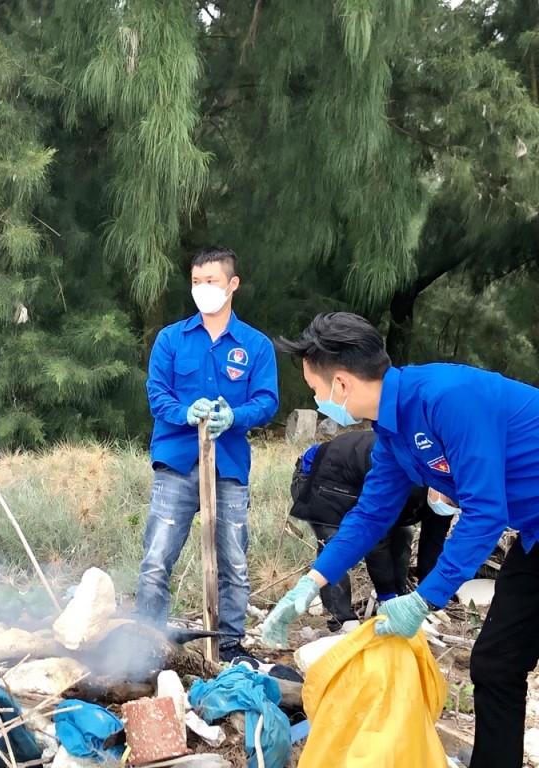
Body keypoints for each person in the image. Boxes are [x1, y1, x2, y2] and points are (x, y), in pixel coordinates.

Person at [261, 311, 539, 768]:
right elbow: (370, 515)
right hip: (533, 535)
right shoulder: (392, 430)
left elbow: (485, 512)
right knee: (496, 664)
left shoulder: (448, 398)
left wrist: (423, 599)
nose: (316, 398)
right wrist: (312, 581)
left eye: (315, 388)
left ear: (343, 385)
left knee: (498, 662)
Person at [135, 246, 279, 660]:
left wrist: (235, 416)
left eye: (211, 281)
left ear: (232, 285)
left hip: (229, 465)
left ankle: (230, 644)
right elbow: (156, 395)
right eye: (196, 282)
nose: (202, 289)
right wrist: (185, 412)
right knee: (157, 557)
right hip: (177, 462)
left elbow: (268, 401)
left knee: (233, 560)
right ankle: (147, 641)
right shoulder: (171, 339)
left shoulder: (255, 345)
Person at [289, 431, 452, 631]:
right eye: (449, 500)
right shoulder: (406, 479)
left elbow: (433, 542)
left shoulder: (450, 492)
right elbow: (376, 538)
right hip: (321, 475)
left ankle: (398, 601)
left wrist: (428, 599)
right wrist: (385, 594)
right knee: (334, 540)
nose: (450, 504)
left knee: (403, 534)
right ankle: (342, 621)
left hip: (358, 478)